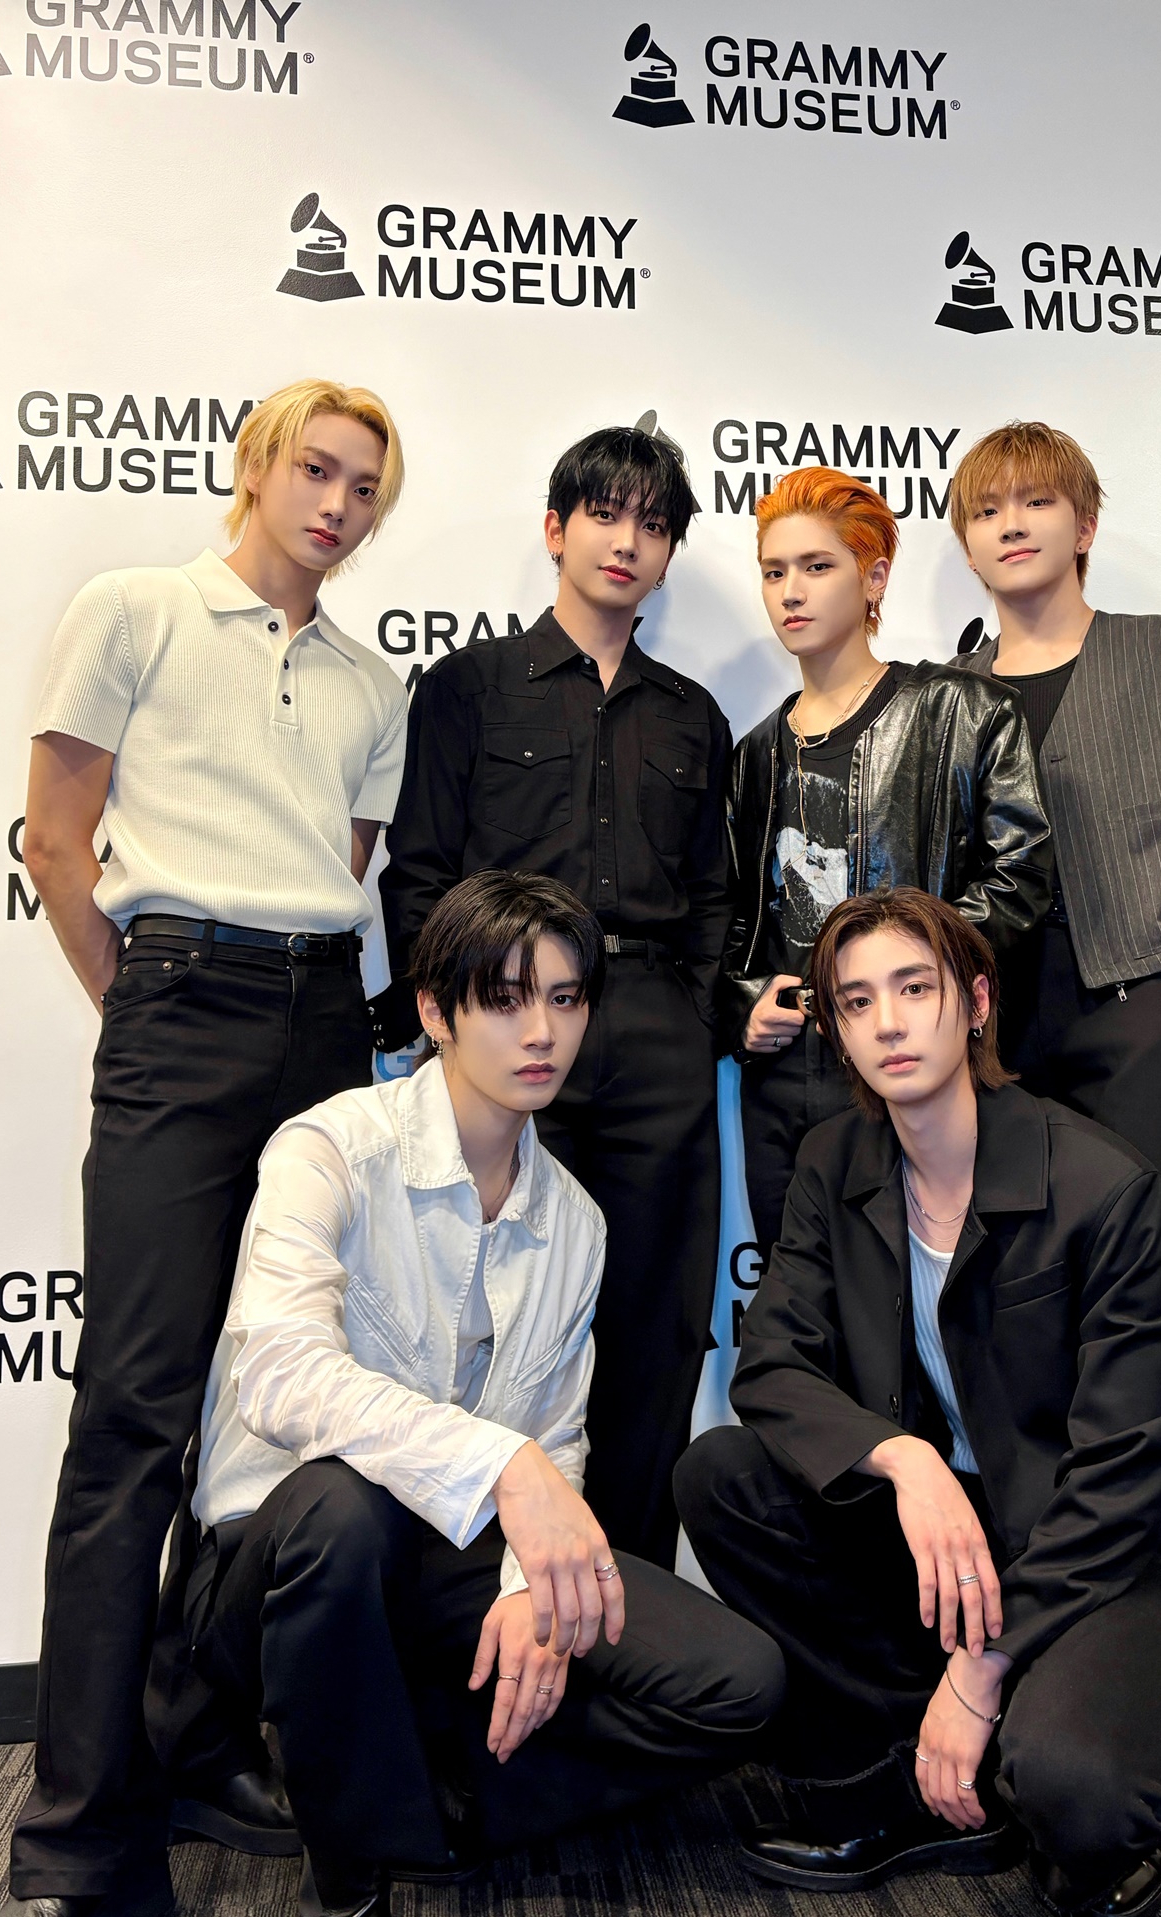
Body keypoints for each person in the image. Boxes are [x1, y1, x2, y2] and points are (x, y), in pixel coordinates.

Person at [0, 381, 410, 1917]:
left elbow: (344, 870)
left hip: (325, 1023)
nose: (337, 504)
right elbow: (55, 844)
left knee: (279, 1409)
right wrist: (140, 1009)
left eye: (366, 486)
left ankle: (200, 1741)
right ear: (257, 468)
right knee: (132, 1421)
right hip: (179, 1004)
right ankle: (75, 1855)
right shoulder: (132, 608)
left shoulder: (373, 684)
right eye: (316, 470)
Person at [187, 873, 781, 1917]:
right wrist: (501, 1466)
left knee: (738, 1681)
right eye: (505, 999)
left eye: (565, 997)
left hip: (449, 1561)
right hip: (278, 1564)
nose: (541, 1030)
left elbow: (556, 1438)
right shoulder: (331, 1146)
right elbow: (279, 1371)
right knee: (345, 1506)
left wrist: (527, 1587)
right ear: (435, 1009)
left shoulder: (576, 1221)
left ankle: (435, 1800)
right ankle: (345, 1897)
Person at [678, 888, 1161, 1917]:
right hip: (952, 1533)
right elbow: (772, 1367)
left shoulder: (1100, 1184)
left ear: (974, 1003)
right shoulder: (834, 1162)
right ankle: (905, 1778)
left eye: (914, 988)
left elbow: (1127, 1471)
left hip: (1106, 1548)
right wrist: (904, 1460)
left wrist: (980, 1673)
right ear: (836, 1030)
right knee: (724, 1478)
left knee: (1077, 1795)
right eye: (856, 1001)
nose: (888, 1021)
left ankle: (1027, 1742)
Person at [947, 419, 1161, 1789]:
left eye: (1038, 501)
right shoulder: (949, 687)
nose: (1014, 524)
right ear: (966, 542)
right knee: (1031, 1341)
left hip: (1136, 1012)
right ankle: (1065, 1661)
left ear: (1085, 524)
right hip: (998, 1046)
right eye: (988, 509)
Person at [376, 419, 732, 1568]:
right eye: (605, 513)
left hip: (656, 1034)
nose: (627, 540)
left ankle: (629, 1609)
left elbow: (715, 894)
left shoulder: (693, 715)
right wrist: (457, 1024)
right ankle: (483, 1604)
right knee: (487, 1322)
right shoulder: (468, 687)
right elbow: (421, 873)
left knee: (651, 1325)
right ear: (555, 527)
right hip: (504, 1030)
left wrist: (699, 1011)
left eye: (653, 523)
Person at [718, 467, 1051, 1255]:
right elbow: (728, 919)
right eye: (774, 571)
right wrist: (743, 1004)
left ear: (873, 579)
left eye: (817, 566)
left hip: (915, 1060)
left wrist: (900, 979)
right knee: (800, 1294)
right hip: (786, 1077)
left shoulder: (963, 712)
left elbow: (1022, 877)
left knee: (918, 1292)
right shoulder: (754, 754)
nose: (791, 592)